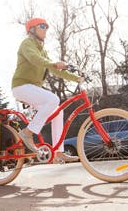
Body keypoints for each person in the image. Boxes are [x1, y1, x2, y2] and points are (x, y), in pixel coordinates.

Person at [11, 17, 83, 163]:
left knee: (57, 111)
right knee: (53, 99)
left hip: (32, 89)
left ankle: (58, 151)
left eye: (46, 27)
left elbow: (55, 70)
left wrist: (76, 78)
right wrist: (54, 63)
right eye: (42, 26)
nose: (46, 29)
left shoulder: (42, 50)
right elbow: (34, 58)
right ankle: (28, 132)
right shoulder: (27, 44)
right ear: (32, 29)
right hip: (21, 86)